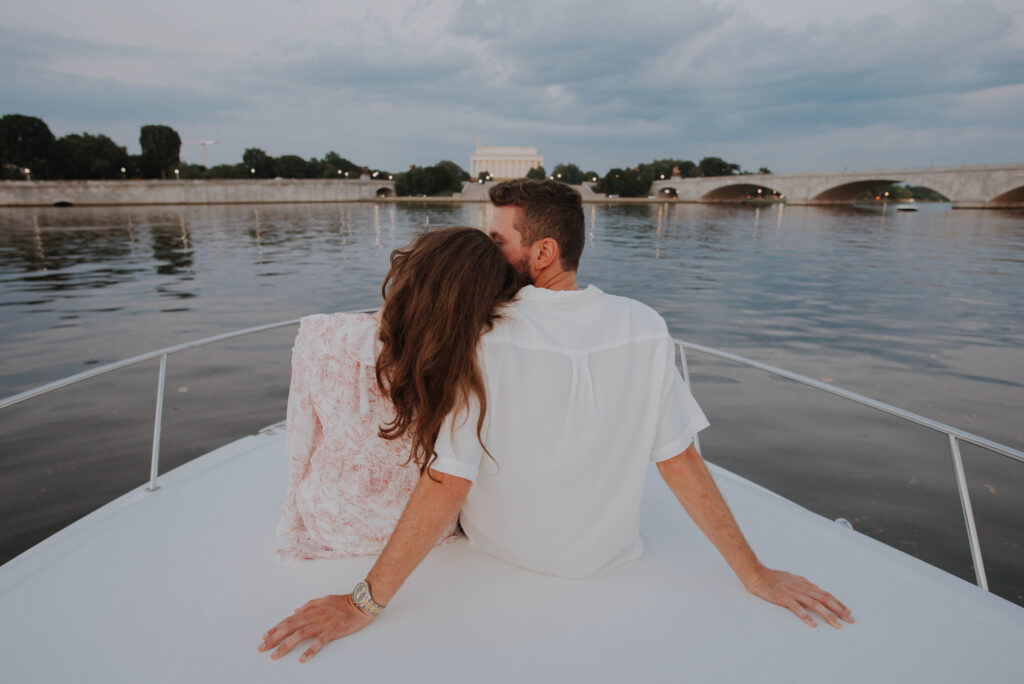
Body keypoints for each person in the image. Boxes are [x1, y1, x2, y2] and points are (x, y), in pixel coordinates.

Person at [259, 180, 854, 664]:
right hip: (613, 554)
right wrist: (755, 575)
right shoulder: (644, 324)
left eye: (498, 240)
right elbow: (678, 458)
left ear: (541, 253)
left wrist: (363, 603)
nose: (487, 251)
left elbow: (450, 480)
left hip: (503, 552)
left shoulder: (485, 334)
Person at [275, 226, 521, 560]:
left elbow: (301, 439)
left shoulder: (318, 336)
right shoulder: (464, 359)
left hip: (330, 520)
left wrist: (292, 517)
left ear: (409, 268)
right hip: (424, 528)